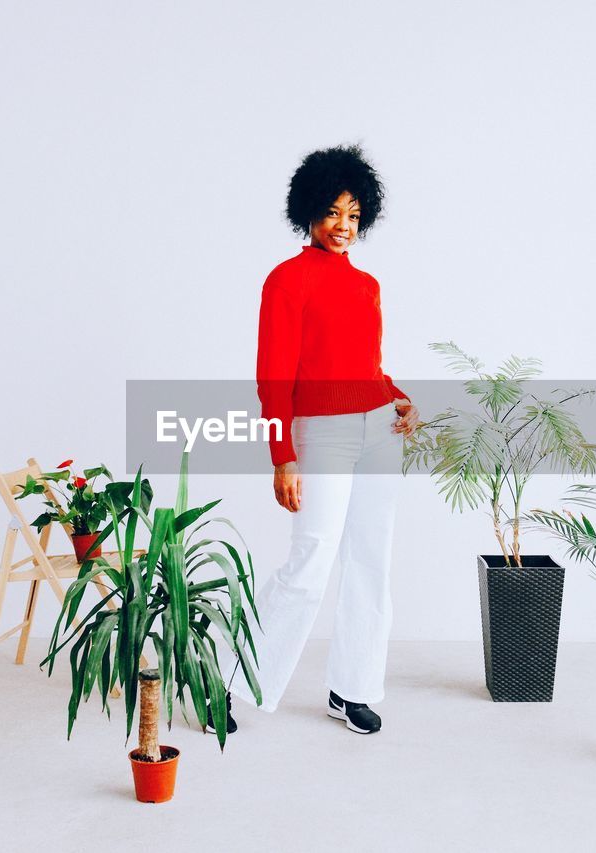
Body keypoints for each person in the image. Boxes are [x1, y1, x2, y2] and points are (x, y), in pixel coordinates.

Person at [220, 144, 418, 736]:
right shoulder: (286, 280)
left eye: (354, 215)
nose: (343, 227)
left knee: (370, 565)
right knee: (310, 564)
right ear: (308, 212)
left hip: (379, 428)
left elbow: (366, 366)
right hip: (320, 434)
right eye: (333, 213)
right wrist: (282, 456)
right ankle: (231, 683)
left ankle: (350, 689)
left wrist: (398, 395)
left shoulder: (368, 286)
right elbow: (274, 376)